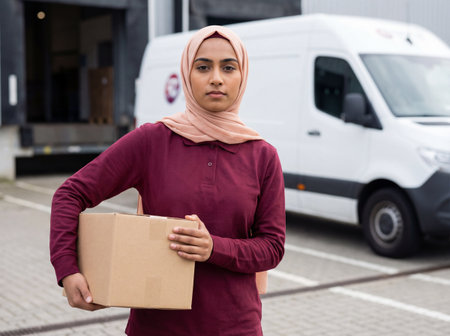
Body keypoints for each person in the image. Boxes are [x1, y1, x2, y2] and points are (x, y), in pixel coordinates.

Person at [50, 25, 286, 335]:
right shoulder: (153, 140)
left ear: (242, 76)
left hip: (236, 327)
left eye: (228, 67)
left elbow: (272, 247)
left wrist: (214, 248)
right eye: (203, 67)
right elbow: (70, 194)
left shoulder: (263, 156)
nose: (216, 77)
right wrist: (68, 270)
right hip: (156, 326)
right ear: (187, 75)